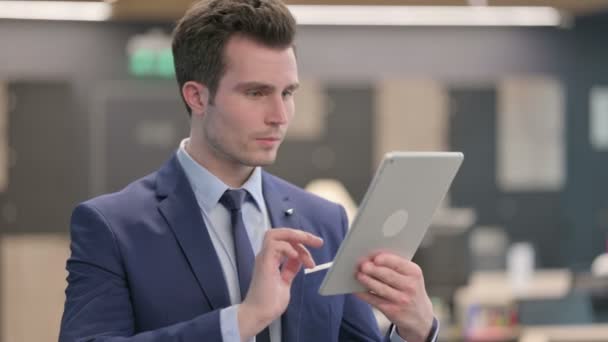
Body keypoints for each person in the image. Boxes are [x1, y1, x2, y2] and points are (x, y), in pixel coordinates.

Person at [59, 0, 439, 341]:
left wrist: (416, 331)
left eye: (287, 93)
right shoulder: (111, 226)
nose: (280, 116)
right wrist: (244, 319)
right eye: (256, 93)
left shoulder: (324, 221)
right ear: (197, 96)